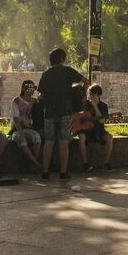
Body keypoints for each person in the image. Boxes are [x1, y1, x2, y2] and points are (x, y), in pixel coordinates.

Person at [37, 47, 89, 181]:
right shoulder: (67, 71)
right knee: (64, 141)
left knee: (49, 141)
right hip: (66, 111)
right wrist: (82, 94)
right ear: (62, 59)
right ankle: (63, 173)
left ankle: (45, 172)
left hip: (49, 112)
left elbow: (41, 95)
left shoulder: (46, 74)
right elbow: (86, 81)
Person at [77, 84, 119, 172]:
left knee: (109, 138)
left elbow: (102, 121)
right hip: (86, 129)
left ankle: (105, 163)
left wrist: (95, 106)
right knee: (81, 136)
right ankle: (85, 164)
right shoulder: (85, 104)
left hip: (98, 130)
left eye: (92, 94)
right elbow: (79, 116)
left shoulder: (103, 106)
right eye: (90, 94)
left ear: (98, 95)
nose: (90, 96)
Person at [10, 80, 44, 172]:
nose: (30, 90)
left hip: (29, 129)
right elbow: (16, 119)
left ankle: (33, 163)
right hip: (16, 129)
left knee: (37, 138)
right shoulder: (16, 101)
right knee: (22, 141)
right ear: (23, 89)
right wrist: (20, 132)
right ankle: (36, 164)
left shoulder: (34, 101)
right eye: (28, 88)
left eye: (33, 88)